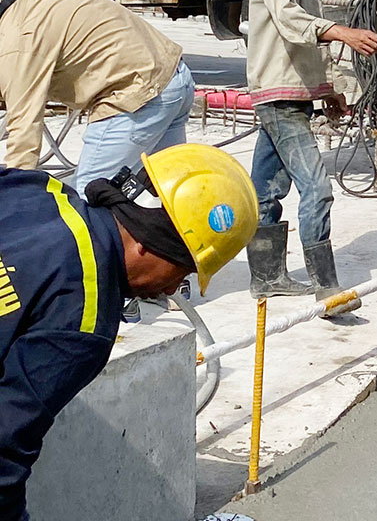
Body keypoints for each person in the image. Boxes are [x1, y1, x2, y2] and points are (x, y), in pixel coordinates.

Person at [0, 143, 258, 520]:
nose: (172, 290)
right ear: (145, 245)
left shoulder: (39, 190)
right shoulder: (83, 320)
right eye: (182, 272)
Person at [245, 0, 377, 314]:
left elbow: (303, 36)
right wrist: (343, 32)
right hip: (279, 94)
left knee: (265, 190)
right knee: (317, 188)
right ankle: (326, 287)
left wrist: (327, 89)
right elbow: (289, 20)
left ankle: (267, 279)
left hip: (286, 89)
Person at [0, 0, 195, 190]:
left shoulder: (16, 47)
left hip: (139, 96)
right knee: (167, 195)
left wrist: (14, 198)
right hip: (175, 77)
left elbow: (24, 135)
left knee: (88, 196)